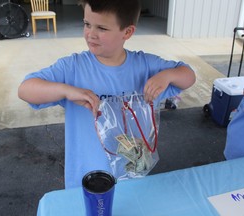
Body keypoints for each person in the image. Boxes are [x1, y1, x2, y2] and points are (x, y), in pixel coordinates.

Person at [18, 0, 196, 189]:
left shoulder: (146, 66)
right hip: (85, 178)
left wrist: (168, 75)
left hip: (134, 174)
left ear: (127, 32)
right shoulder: (73, 68)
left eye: (102, 28)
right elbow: (26, 89)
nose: (91, 34)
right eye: (87, 24)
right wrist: (66, 90)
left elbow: (188, 76)